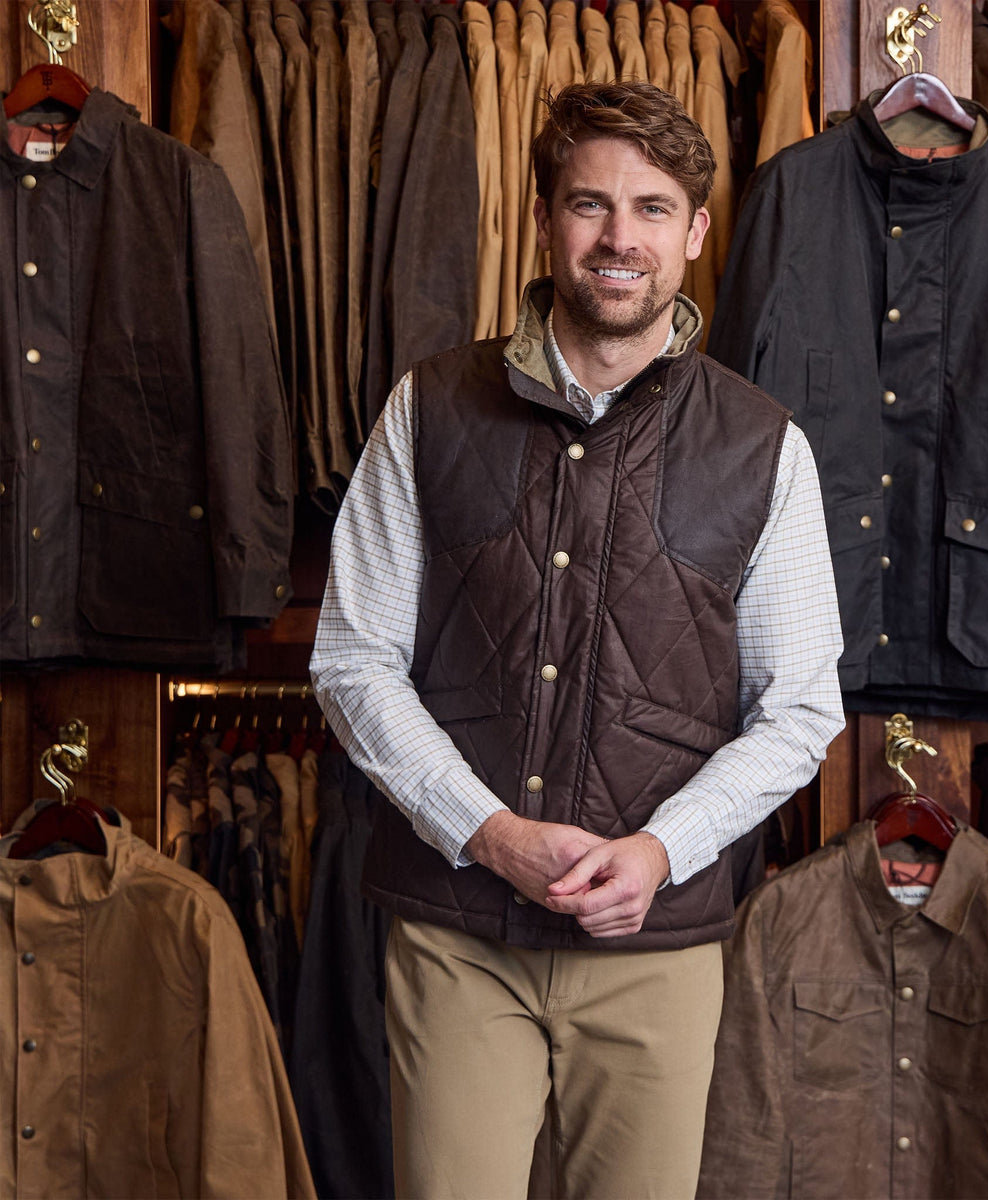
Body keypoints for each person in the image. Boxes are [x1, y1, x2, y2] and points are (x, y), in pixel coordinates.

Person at [310, 81, 844, 1200]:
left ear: (698, 234)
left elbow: (800, 709)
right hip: (458, 936)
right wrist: (487, 832)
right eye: (590, 205)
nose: (619, 238)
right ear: (546, 220)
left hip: (659, 948)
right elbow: (353, 659)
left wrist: (661, 850)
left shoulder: (764, 447)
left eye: (653, 209)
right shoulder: (428, 408)